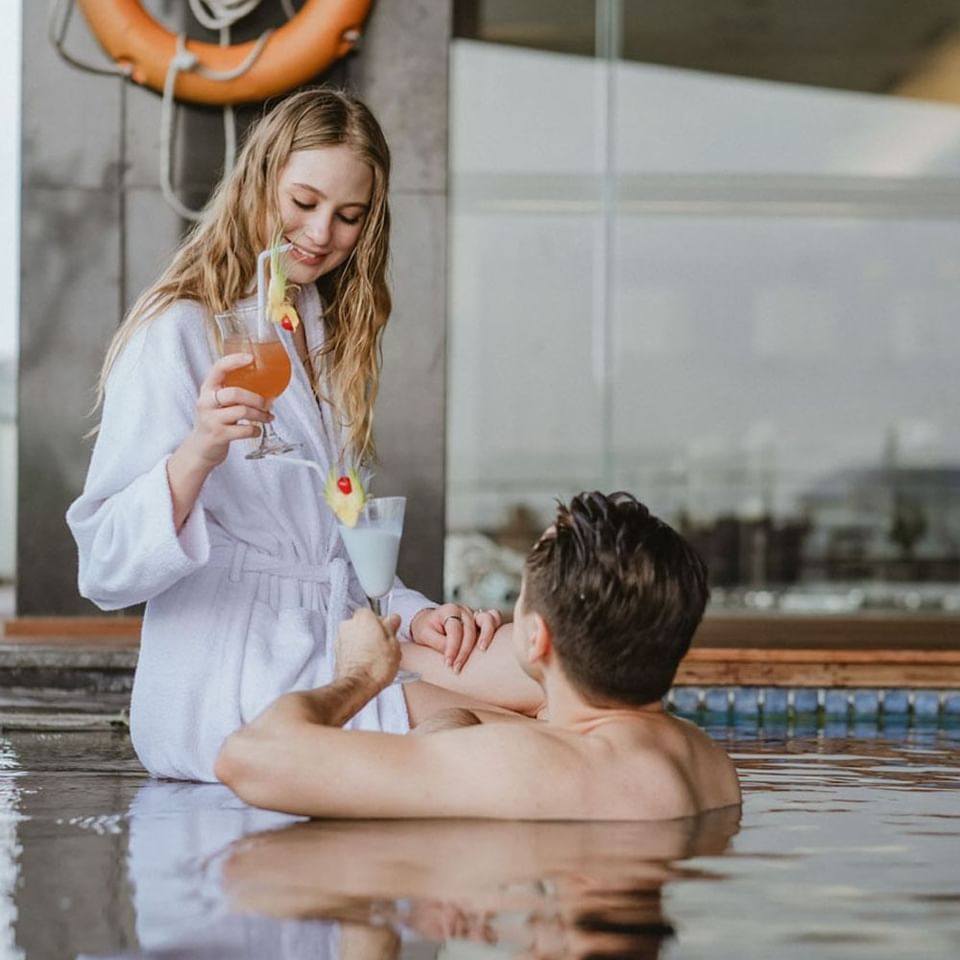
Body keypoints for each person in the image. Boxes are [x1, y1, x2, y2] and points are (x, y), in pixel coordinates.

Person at [66, 88, 507, 782]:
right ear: (257, 180)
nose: (322, 233)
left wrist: (417, 615)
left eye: (349, 215)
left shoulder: (316, 333)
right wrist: (200, 450)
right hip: (232, 674)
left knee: (540, 678)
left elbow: (333, 547)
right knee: (497, 733)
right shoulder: (178, 331)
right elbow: (105, 568)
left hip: (329, 635)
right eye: (303, 203)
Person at [216, 492, 742, 820]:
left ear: (535, 640)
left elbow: (250, 758)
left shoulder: (523, 764)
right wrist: (454, 720)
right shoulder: (706, 760)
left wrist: (361, 675)